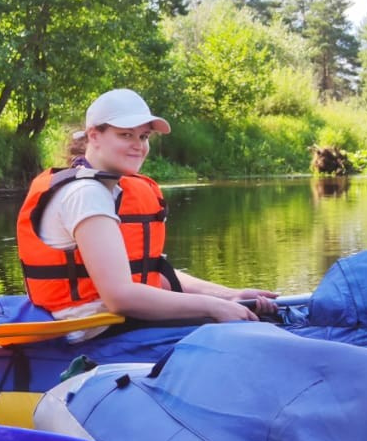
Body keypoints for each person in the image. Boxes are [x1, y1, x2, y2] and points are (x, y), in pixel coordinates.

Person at [16, 88, 277, 330]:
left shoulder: (108, 189)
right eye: (125, 135)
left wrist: (229, 295)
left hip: (116, 325)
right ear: (94, 136)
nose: (138, 145)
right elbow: (120, 297)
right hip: (89, 333)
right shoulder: (86, 194)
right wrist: (214, 307)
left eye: (143, 136)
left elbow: (151, 272)